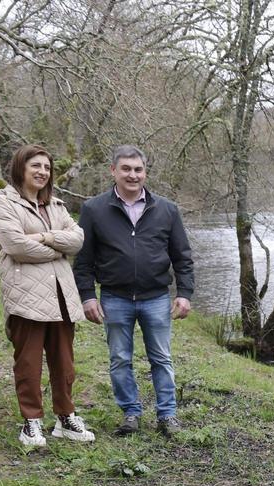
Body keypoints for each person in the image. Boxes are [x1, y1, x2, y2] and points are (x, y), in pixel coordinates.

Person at [74, 145, 194, 437]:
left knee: (162, 359)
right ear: (113, 171)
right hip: (115, 298)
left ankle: (167, 416)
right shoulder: (94, 210)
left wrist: (184, 293)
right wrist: (88, 296)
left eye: (138, 169)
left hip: (156, 297)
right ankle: (131, 413)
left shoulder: (166, 209)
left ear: (145, 172)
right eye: (126, 169)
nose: (133, 175)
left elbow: (183, 256)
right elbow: (83, 260)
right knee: (119, 359)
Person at [0, 145, 95, 447]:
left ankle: (66, 418)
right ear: (21, 167)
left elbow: (78, 239)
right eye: (36, 165)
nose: (42, 172)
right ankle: (31, 422)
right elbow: (16, 247)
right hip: (26, 296)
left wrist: (45, 237)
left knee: (64, 361)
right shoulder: (4, 202)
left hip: (62, 294)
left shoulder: (56, 204)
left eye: (47, 168)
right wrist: (57, 249)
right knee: (29, 362)